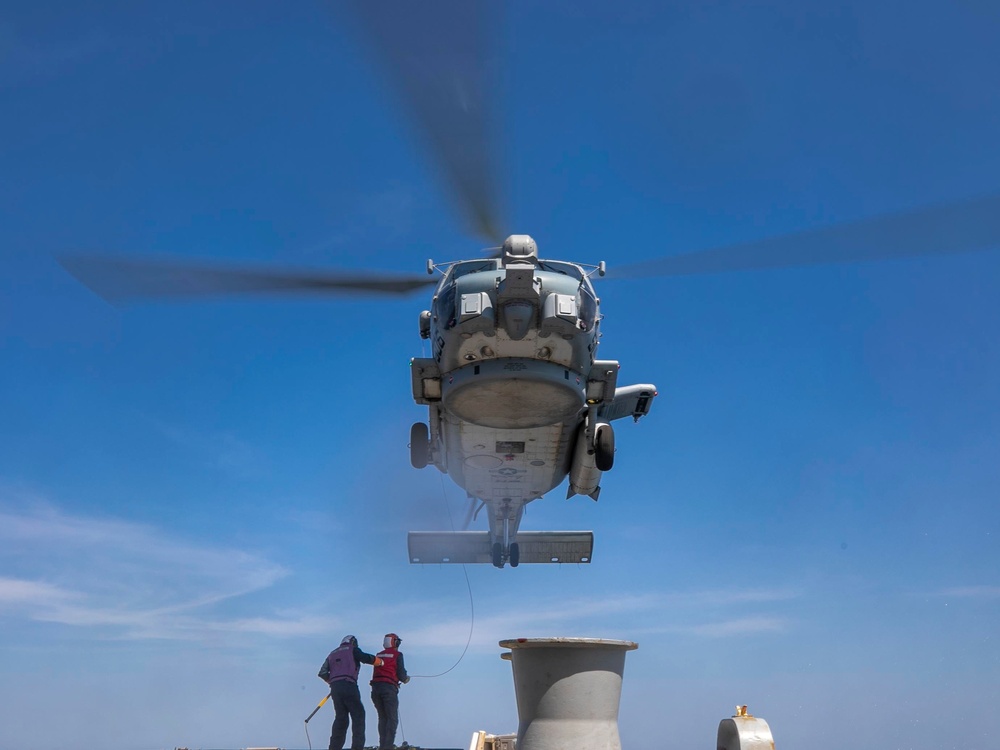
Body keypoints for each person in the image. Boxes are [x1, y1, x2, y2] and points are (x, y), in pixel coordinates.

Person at [318, 634, 382, 750]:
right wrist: (379, 662)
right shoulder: (353, 650)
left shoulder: (332, 654)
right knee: (358, 716)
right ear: (353, 642)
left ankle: (334, 747)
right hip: (349, 685)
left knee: (340, 718)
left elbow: (322, 673)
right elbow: (365, 658)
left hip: (336, 688)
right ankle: (357, 747)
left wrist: (332, 681)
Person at [370, 632, 410, 750]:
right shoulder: (398, 655)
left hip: (375, 689)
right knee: (392, 719)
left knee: (382, 718)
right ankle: (387, 747)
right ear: (395, 642)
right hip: (388, 689)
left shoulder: (379, 655)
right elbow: (401, 675)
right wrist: (406, 679)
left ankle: (383, 745)